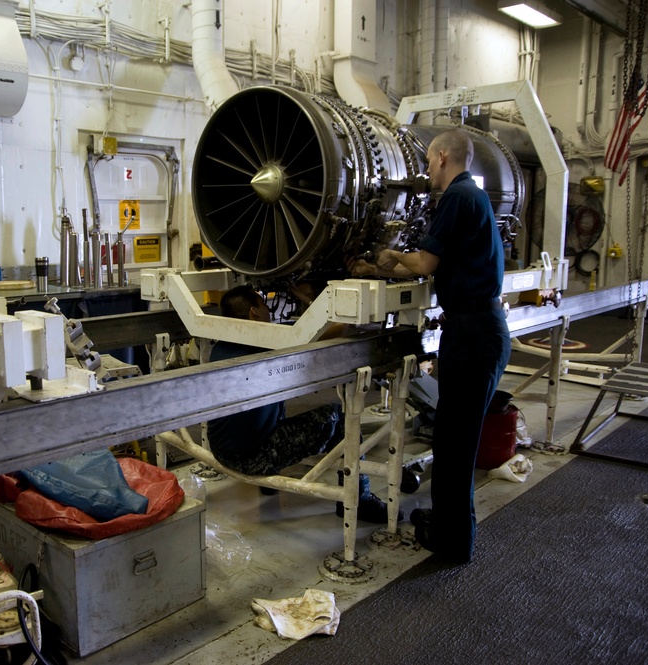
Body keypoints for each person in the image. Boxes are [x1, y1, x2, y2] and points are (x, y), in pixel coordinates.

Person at [348, 127, 512, 563]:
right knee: (455, 438)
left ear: (441, 157)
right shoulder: (473, 196)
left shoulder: (458, 197)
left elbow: (424, 262)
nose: (425, 169)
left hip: (474, 333)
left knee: (456, 443)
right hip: (478, 327)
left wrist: (388, 259)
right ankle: (449, 528)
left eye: (427, 161)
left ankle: (453, 543)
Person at [206, 284, 392, 523]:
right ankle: (360, 499)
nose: (267, 310)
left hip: (220, 450)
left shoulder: (221, 346)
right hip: (251, 458)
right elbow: (339, 327)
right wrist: (309, 298)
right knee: (340, 416)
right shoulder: (269, 340)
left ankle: (269, 476)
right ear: (254, 312)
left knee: (271, 405)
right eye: (263, 304)